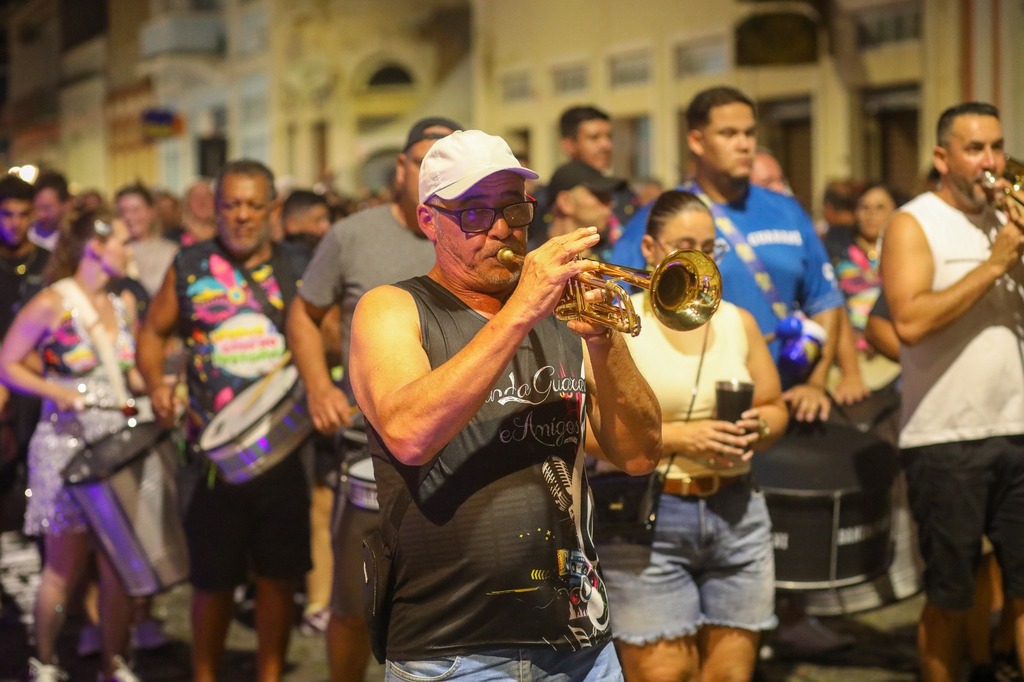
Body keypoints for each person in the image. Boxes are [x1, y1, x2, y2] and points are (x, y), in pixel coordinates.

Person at [347, 128, 661, 678]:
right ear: (429, 221)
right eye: (473, 213)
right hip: (453, 646)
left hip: (580, 637)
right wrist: (519, 312)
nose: (500, 230)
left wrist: (603, 341)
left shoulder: (563, 314)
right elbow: (408, 433)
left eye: (513, 211)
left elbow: (638, 455)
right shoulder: (394, 307)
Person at [285, 115, 462, 682]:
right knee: (354, 601)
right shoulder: (352, 235)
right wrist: (318, 386)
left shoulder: (475, 233)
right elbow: (305, 314)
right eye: (425, 161)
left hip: (461, 449)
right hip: (371, 451)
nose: (434, 172)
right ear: (401, 169)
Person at [598, 189, 788, 681]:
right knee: (665, 673)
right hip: (648, 514)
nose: (700, 257)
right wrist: (683, 438)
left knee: (730, 673)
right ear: (649, 249)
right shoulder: (617, 324)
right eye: (686, 243)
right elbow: (587, 432)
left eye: (710, 246)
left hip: (737, 509)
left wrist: (760, 427)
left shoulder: (736, 321)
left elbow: (774, 404)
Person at [138, 159, 311, 682]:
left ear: (272, 210)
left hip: (281, 453)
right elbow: (152, 333)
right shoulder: (190, 265)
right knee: (211, 581)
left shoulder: (298, 265)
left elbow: (328, 338)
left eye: (253, 205)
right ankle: (205, 675)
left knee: (278, 578)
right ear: (214, 210)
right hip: (209, 456)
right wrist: (156, 386)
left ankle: (270, 675)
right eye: (230, 205)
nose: (241, 216)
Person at [879, 101, 1024, 682]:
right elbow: (909, 321)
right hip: (945, 437)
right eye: (974, 149)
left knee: (1021, 587)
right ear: (942, 157)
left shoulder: (1006, 220)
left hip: (1014, 424)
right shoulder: (914, 223)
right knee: (950, 593)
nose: (991, 162)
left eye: (996, 146)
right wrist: (994, 264)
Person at [0, 211, 141, 682]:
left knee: (120, 564)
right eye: (122, 240)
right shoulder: (52, 303)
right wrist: (56, 392)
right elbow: (7, 363)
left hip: (115, 447)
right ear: (96, 247)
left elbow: (130, 373)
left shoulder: (121, 306)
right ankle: (45, 659)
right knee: (63, 566)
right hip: (64, 445)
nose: (130, 250)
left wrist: (163, 387)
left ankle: (112, 661)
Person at [826, 183, 903, 404]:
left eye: (880, 208)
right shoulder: (835, 250)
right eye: (864, 207)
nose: (870, 215)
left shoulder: (904, 253)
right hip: (847, 354)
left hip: (891, 354)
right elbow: (829, 302)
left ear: (895, 212)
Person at [529, 159, 626, 257]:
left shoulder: (617, 257)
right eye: (599, 195)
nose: (611, 203)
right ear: (565, 202)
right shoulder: (529, 259)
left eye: (609, 196)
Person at [114, 183, 178, 298]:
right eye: (122, 211)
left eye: (135, 210)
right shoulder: (112, 252)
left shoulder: (170, 251)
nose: (128, 217)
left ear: (151, 211)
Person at [30, 172, 74, 252]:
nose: (41, 215)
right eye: (37, 208)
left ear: (66, 204)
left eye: (47, 208)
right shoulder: (26, 235)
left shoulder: (73, 240)